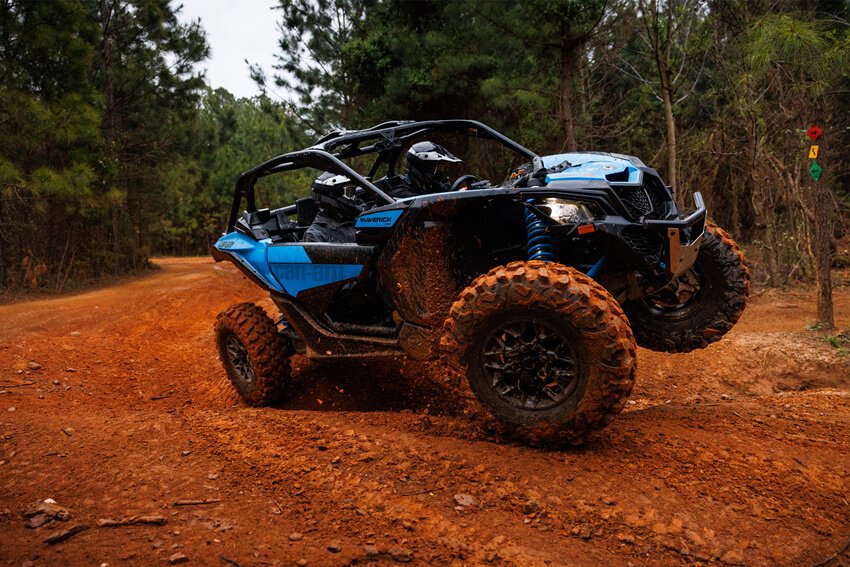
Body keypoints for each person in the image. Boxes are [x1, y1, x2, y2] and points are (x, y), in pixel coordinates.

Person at [303, 172, 366, 243]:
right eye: (350, 193)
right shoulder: (315, 235)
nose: (354, 198)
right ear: (334, 195)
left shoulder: (355, 220)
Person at [388, 141, 461, 199]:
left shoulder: (426, 188)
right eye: (436, 169)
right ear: (423, 168)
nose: (440, 174)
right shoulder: (400, 192)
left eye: (441, 169)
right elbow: (422, 204)